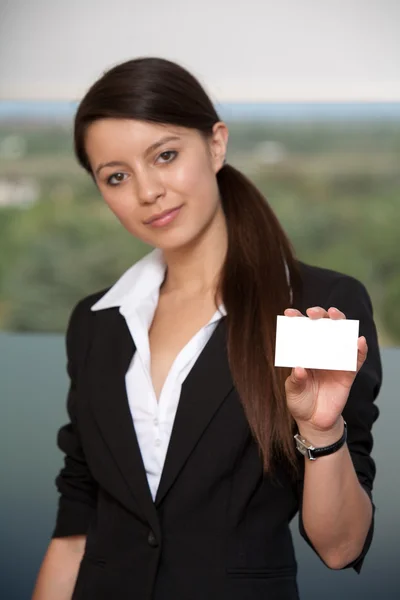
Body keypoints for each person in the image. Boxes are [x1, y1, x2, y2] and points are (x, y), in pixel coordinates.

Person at [32, 57, 381, 600]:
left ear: (216, 144)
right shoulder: (96, 322)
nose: (147, 191)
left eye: (165, 156)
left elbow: (340, 548)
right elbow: (76, 526)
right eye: (117, 176)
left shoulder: (317, 306)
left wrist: (320, 433)